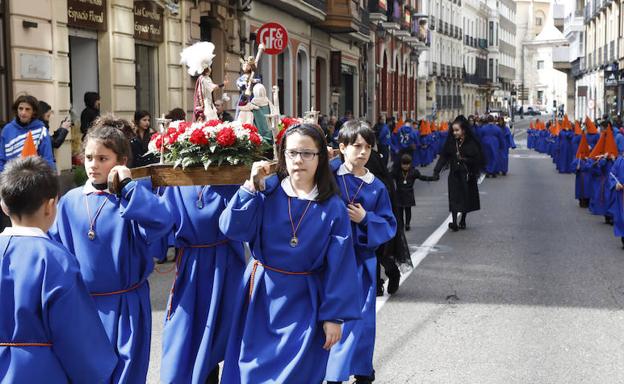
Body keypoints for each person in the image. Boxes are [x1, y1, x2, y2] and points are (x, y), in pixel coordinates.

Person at [218, 123, 361, 383]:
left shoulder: (333, 207)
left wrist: (333, 316)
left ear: (321, 157)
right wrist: (249, 187)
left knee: (298, 372)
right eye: (292, 152)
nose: (299, 160)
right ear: (282, 155)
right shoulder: (265, 193)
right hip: (261, 296)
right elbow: (232, 229)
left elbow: (340, 265)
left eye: (307, 153)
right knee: (252, 371)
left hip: (305, 300)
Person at [49, 117, 173, 383]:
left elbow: (162, 222)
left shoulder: (132, 198)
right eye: (89, 157)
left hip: (128, 304)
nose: (93, 165)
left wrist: (128, 188)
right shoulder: (70, 202)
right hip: (85, 306)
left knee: (126, 374)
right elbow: (55, 253)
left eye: (103, 159)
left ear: (121, 162)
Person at [0, 157, 117, 383]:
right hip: (40, 373)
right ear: (50, 205)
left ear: (4, 205)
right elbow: (78, 340)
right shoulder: (55, 260)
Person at [326, 120, 397, 384]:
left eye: (368, 146)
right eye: (357, 146)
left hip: (360, 263)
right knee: (329, 318)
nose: (363, 152)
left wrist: (366, 218)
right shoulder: (330, 175)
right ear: (342, 147)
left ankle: (358, 371)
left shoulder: (376, 186)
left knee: (359, 322)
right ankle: (329, 370)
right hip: (330, 259)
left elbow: (389, 224)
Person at [159, 185, 246, 384]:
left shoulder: (229, 179)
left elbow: (242, 222)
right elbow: (161, 224)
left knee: (225, 330)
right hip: (191, 266)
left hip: (226, 266)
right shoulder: (176, 183)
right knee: (183, 333)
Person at [433, 115, 485, 231]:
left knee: (466, 198)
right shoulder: (451, 142)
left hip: (467, 175)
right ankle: (454, 221)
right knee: (454, 198)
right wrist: (436, 171)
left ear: (464, 130)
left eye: (457, 130)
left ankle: (463, 220)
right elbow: (444, 157)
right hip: (454, 174)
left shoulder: (471, 143)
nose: (454, 133)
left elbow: (477, 159)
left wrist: (465, 159)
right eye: (453, 130)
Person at [0, 95, 55, 172]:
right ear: (16, 110)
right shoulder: (7, 130)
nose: (23, 112)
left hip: (34, 179)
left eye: (27, 109)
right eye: (20, 108)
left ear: (34, 112)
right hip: (10, 180)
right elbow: (1, 159)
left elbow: (48, 160)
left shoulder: (41, 131)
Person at [393, 153, 436, 231]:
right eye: (404, 164)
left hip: (409, 193)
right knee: (399, 211)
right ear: (401, 164)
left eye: (407, 164)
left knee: (408, 210)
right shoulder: (397, 172)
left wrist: (431, 178)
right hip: (399, 193)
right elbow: (389, 177)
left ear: (410, 164)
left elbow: (421, 177)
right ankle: (401, 224)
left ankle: (407, 224)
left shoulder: (413, 172)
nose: (405, 166)